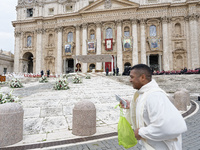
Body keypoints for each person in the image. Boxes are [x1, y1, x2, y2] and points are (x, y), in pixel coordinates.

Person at [120, 64, 187, 150]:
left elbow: (166, 127)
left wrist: (141, 132)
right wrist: (131, 106)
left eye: (132, 77)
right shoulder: (144, 94)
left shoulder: (155, 96)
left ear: (142, 77)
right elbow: (145, 111)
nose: (130, 80)